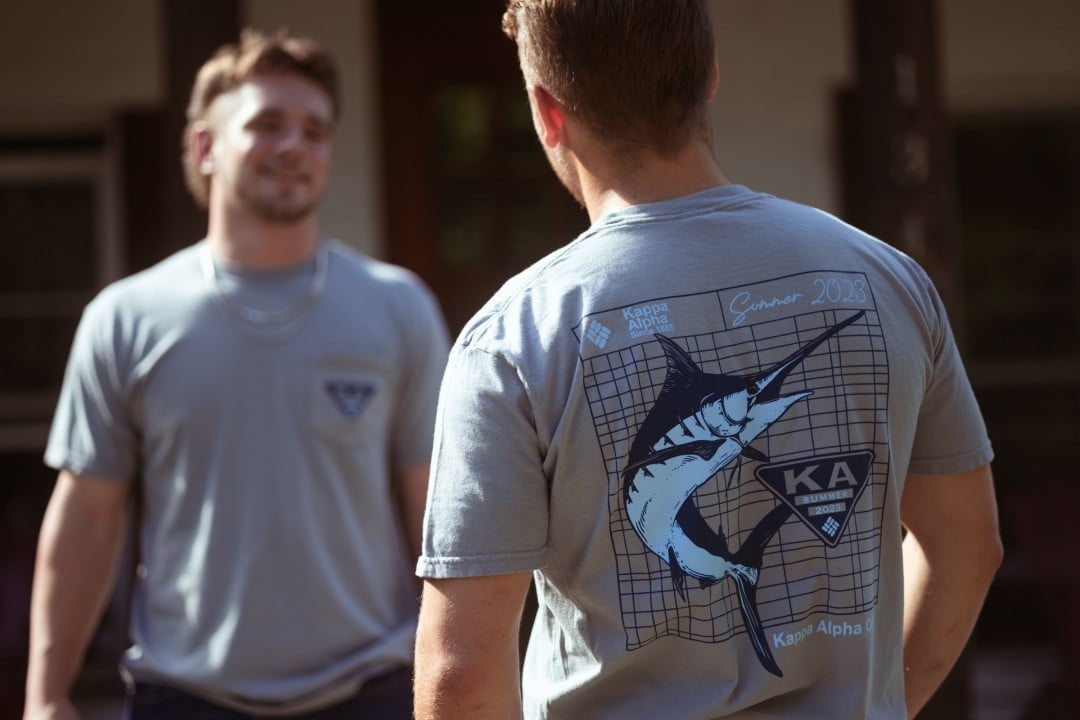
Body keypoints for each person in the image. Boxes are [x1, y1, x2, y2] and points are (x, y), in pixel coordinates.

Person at [413, 2, 1002, 718]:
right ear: (710, 75)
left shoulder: (514, 337)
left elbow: (461, 676)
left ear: (545, 111)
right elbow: (968, 547)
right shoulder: (887, 279)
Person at [24, 28, 448, 720]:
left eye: (315, 131)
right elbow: (87, 517)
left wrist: (456, 684)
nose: (295, 147)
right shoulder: (126, 318)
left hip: (368, 689)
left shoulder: (397, 307)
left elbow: (440, 517)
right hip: (184, 695)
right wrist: (46, 694)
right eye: (267, 124)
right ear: (203, 148)